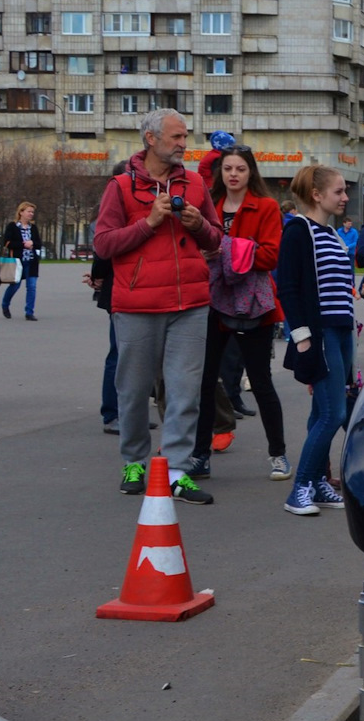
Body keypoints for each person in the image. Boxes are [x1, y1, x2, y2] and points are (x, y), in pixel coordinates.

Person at [92, 108, 222, 504]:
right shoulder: (119, 186)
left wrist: (199, 225)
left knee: (185, 391)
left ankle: (179, 470)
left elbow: (216, 241)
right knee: (132, 390)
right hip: (137, 304)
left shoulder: (196, 183)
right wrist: (147, 223)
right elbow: (103, 244)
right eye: (176, 137)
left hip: (191, 303)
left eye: (185, 137)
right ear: (151, 139)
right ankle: (134, 461)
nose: (184, 144)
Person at [183, 145, 290, 483]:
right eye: (227, 169)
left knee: (260, 381)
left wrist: (223, 249)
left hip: (252, 303)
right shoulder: (208, 205)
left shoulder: (267, 206)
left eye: (240, 169)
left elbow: (271, 256)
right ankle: (200, 455)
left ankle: (278, 454)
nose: (233, 175)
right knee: (203, 382)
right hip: (210, 300)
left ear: (251, 173)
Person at [275, 164, 355, 516]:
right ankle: (300, 489)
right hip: (319, 333)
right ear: (316, 195)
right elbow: (288, 287)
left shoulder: (332, 234)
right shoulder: (298, 230)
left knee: (322, 410)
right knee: (334, 413)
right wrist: (303, 337)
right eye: (338, 191)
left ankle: (319, 483)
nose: (345, 197)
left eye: (344, 190)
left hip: (341, 332)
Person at [85, 161, 131, 432]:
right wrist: (99, 275)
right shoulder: (114, 206)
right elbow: (104, 248)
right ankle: (112, 413)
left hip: (127, 287)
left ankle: (124, 413)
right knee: (119, 353)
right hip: (118, 289)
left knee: (128, 353)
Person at [1, 201, 44, 320]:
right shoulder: (12, 226)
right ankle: (5, 305)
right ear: (21, 212)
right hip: (17, 262)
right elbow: (7, 243)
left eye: (32, 212)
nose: (31, 214)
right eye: (29, 211)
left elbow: (39, 244)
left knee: (32, 287)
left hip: (31, 261)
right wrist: (23, 244)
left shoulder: (33, 228)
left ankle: (29, 312)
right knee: (15, 286)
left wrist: (33, 243)